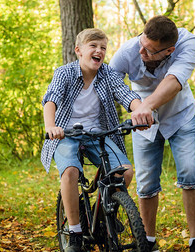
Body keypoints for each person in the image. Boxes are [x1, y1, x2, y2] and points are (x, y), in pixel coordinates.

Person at [41, 28, 146, 252]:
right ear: (78, 51)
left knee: (124, 172)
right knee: (70, 171)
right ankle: (75, 231)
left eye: (103, 48)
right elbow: (51, 99)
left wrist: (139, 112)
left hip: (97, 133)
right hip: (66, 133)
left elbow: (126, 95)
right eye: (93, 46)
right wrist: (51, 126)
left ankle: (106, 213)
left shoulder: (107, 74)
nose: (99, 51)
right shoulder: (65, 73)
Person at [109, 15, 195, 252]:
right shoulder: (128, 50)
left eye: (150, 50)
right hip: (142, 122)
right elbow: (109, 82)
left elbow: (173, 81)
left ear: (168, 51)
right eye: (142, 43)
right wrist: (136, 106)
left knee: (189, 173)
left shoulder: (187, 42)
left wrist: (145, 106)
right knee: (146, 182)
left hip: (180, 117)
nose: (141, 51)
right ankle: (148, 242)